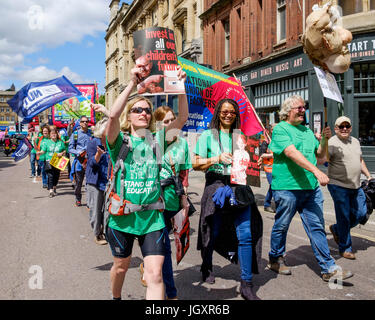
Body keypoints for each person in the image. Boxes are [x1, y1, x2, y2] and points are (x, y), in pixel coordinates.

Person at [104, 65, 188, 300]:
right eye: (138, 109)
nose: (144, 113)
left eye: (147, 110)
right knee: (120, 268)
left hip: (152, 220)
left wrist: (180, 87)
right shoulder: (119, 142)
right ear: (129, 115)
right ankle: (116, 297)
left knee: (155, 275)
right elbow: (111, 116)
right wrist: (132, 83)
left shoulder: (158, 140)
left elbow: (182, 118)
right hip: (122, 219)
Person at [267, 94, 353, 282]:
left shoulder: (306, 132)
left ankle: (329, 268)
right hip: (287, 188)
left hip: (310, 189)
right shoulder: (280, 129)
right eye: (299, 108)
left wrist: (324, 140)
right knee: (281, 226)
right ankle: (275, 258)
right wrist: (316, 171)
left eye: (303, 107)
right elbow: (291, 153)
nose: (302, 110)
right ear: (287, 110)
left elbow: (321, 158)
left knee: (316, 227)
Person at [193, 98, 263, 300]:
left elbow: (250, 167)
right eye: (224, 111)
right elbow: (195, 163)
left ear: (236, 114)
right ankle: (207, 265)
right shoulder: (208, 136)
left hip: (240, 187)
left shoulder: (243, 137)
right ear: (218, 113)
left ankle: (246, 283)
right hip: (216, 186)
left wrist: (256, 162)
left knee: (246, 234)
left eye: (232, 111)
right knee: (212, 231)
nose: (228, 114)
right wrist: (216, 159)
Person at [139, 105, 192, 299]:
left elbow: (184, 173)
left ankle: (148, 263)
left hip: (173, 199)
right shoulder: (153, 141)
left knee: (164, 244)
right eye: (165, 121)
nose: (170, 124)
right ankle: (171, 293)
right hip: (155, 200)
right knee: (166, 248)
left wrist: (184, 199)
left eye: (172, 120)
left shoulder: (183, 144)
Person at [327, 116, 372, 260]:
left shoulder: (356, 141)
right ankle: (345, 248)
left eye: (347, 126)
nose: (345, 129)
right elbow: (322, 159)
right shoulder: (332, 143)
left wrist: (368, 175)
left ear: (351, 128)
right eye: (341, 126)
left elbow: (359, 160)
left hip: (356, 185)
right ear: (336, 129)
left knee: (362, 213)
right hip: (338, 185)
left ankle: (337, 229)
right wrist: (322, 141)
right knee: (344, 216)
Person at [86, 116, 109, 246]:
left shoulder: (113, 142)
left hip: (108, 181)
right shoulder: (93, 142)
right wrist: (98, 155)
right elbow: (91, 164)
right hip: (95, 181)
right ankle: (97, 233)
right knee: (95, 210)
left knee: (107, 210)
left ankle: (106, 232)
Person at [68, 116, 92, 206]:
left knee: (89, 183)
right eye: (83, 121)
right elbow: (70, 149)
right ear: (80, 123)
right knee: (78, 183)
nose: (85, 123)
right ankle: (78, 199)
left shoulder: (91, 133)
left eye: (87, 121)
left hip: (90, 161)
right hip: (80, 161)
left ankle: (89, 202)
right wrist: (78, 152)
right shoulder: (75, 134)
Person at [37, 126, 66, 198]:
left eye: (55, 133)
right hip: (49, 161)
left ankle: (54, 187)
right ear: (50, 135)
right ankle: (51, 190)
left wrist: (61, 153)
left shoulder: (60, 142)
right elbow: (43, 151)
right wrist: (40, 153)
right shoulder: (47, 142)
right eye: (52, 133)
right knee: (50, 176)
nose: (53, 135)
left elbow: (64, 150)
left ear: (57, 134)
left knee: (56, 176)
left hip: (57, 161)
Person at [258, 124, 276, 213]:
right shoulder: (266, 141)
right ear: (270, 130)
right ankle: (268, 204)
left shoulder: (279, 140)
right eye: (273, 129)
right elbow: (261, 154)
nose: (276, 130)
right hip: (269, 168)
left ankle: (268, 204)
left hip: (278, 168)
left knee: (274, 186)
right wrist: (272, 155)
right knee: (273, 186)